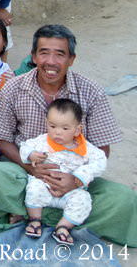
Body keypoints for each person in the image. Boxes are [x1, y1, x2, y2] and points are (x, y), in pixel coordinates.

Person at [0, 25, 136, 247]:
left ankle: (31, 215)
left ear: (71, 59)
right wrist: (30, 167)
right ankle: (65, 219)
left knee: (124, 198)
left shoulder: (92, 92)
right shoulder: (12, 88)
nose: (51, 61)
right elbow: (2, 139)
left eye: (60, 54)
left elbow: (102, 148)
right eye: (44, 52)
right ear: (33, 56)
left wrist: (76, 179)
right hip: (27, 174)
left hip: (76, 181)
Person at [19, 99, 106, 245]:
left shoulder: (86, 149)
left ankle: (63, 227)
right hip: (45, 186)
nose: (57, 132)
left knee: (83, 199)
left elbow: (101, 161)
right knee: (34, 188)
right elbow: (24, 146)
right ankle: (35, 220)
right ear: (46, 123)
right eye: (52, 126)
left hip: (71, 192)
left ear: (77, 129)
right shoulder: (42, 141)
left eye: (65, 128)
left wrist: (82, 174)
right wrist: (31, 154)